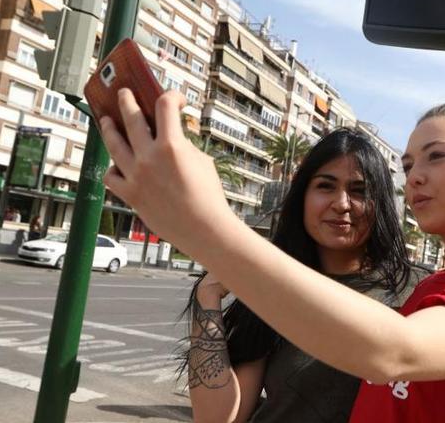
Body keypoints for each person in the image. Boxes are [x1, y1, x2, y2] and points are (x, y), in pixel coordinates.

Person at [99, 90, 445, 422]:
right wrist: (210, 290)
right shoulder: (435, 291)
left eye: (437, 157)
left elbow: (393, 351)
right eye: (409, 164)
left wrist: (206, 227)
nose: (415, 175)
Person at [180, 128, 424, 422]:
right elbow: (217, 418)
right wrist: (207, 294)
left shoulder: (416, 291)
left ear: (380, 203)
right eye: (325, 186)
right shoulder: (274, 288)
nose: (342, 203)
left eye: (359, 191)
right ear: (303, 197)